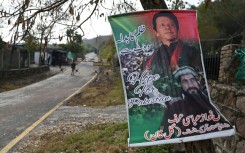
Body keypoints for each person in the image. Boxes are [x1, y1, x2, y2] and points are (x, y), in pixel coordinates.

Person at [160, 66, 233, 138]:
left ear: (197, 82)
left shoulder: (209, 100)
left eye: (192, 80)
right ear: (180, 85)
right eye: (185, 81)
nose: (190, 85)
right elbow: (163, 132)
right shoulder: (175, 105)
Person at [145, 11, 201, 97]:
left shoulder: (192, 51)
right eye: (162, 25)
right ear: (156, 32)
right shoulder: (152, 59)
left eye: (171, 24)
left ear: (177, 28)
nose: (167, 27)